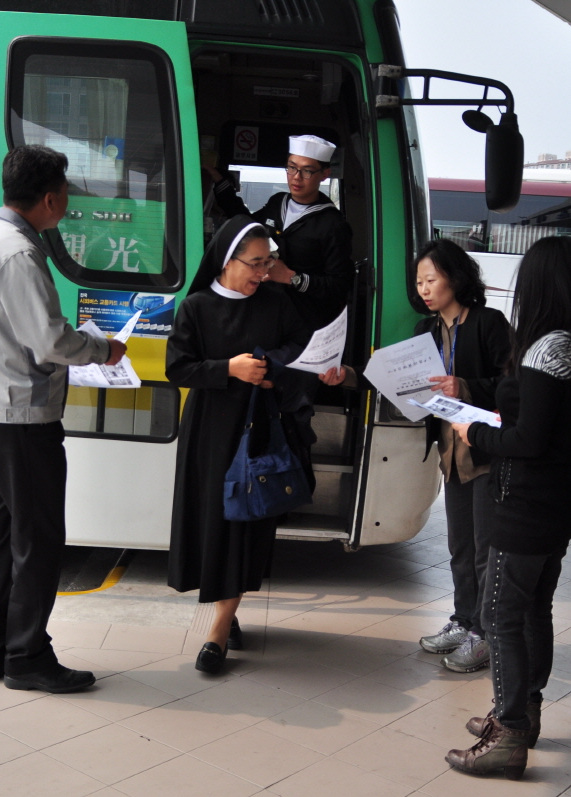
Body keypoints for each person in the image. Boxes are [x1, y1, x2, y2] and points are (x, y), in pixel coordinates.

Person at [0, 144, 126, 694]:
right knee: (39, 539)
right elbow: (50, 341)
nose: (68, 201)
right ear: (50, 197)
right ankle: (26, 656)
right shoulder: (20, 254)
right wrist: (103, 349)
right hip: (21, 418)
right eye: (67, 191)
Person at [443, 236, 571, 780]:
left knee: (498, 614)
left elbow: (526, 440)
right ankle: (522, 711)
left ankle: (509, 734)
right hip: (564, 496)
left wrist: (474, 430)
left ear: (540, 284)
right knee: (532, 607)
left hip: (526, 500)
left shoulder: (545, 349)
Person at [165, 216, 313, 674]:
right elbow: (178, 368)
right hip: (211, 433)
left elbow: (300, 344)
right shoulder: (196, 307)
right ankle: (226, 614)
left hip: (261, 429)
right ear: (228, 261)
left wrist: (273, 370)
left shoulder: (275, 301)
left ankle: (218, 630)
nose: (263, 273)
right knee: (216, 523)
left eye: (269, 263)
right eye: (255, 264)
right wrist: (228, 369)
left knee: (246, 524)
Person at [412, 240, 511, 674]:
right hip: (450, 454)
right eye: (419, 282)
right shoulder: (426, 333)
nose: (424, 289)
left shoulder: (489, 324)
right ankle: (464, 620)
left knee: (485, 550)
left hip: (484, 452)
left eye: (431, 279)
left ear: (455, 277)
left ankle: (485, 635)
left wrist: (463, 386)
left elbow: (510, 385)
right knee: (459, 547)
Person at [204, 134, 353, 331]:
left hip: (304, 322)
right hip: (264, 314)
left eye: (307, 171)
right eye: (292, 168)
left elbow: (339, 287)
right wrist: (219, 182)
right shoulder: (277, 203)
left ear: (324, 174)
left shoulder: (332, 224)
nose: (297, 177)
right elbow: (245, 223)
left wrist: (292, 277)